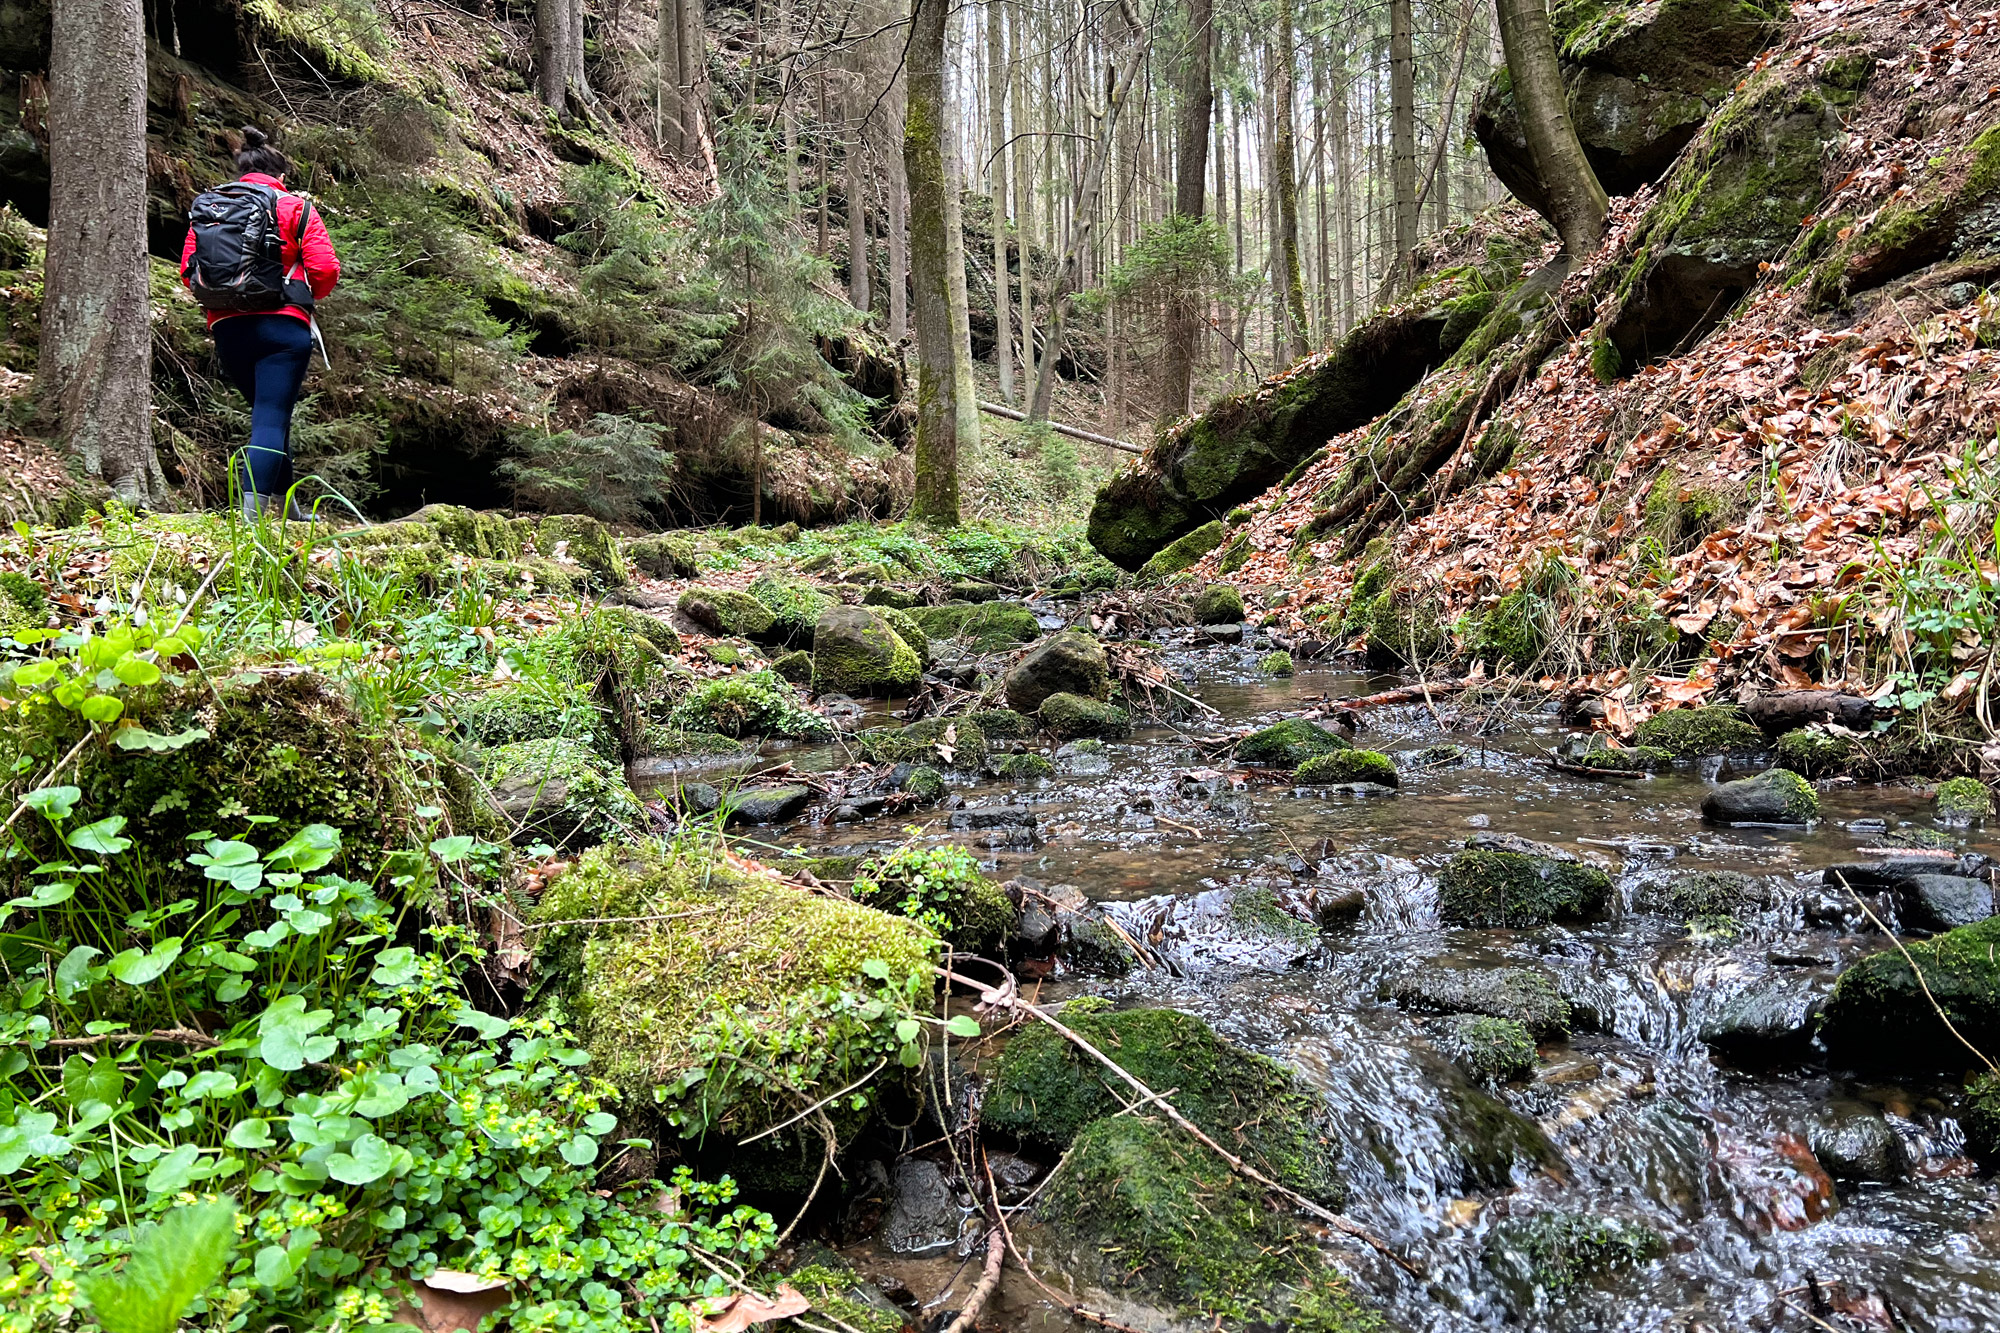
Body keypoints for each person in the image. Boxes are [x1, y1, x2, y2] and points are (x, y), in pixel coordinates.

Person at [180, 126, 340, 519]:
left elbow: (188, 269)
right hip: (281, 328)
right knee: (270, 417)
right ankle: (252, 521)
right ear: (281, 176)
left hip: (228, 327)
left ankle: (291, 509)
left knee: (270, 414)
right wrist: (301, 294)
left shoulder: (212, 208)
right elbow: (325, 268)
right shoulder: (293, 206)